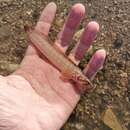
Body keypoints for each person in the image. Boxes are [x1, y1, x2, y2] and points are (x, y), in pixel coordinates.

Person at [0, 2, 106, 130]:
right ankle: (29, 31)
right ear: (80, 78)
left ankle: (29, 31)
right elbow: (65, 76)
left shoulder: (76, 76)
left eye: (86, 83)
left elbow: (65, 76)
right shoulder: (76, 76)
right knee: (41, 43)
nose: (86, 84)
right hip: (46, 48)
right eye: (86, 82)